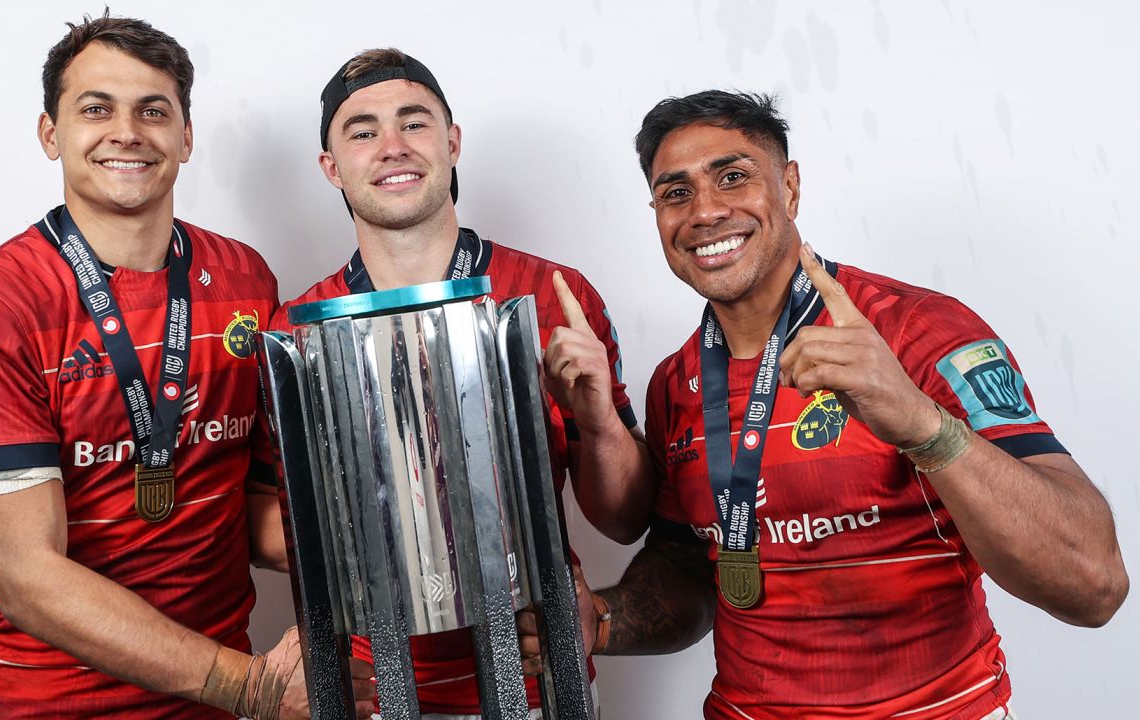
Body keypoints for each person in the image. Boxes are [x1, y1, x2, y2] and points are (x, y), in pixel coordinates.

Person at [576, 90, 1130, 719]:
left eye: (733, 176)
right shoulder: (676, 382)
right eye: (675, 193)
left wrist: (921, 424)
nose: (705, 212)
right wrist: (600, 621)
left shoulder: (922, 331)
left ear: (790, 187)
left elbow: (1095, 586)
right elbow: (690, 570)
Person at [0, 12, 373, 718]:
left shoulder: (244, 278)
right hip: (51, 703)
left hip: (220, 697)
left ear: (185, 138)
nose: (127, 130)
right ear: (50, 134)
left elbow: (251, 509)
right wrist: (248, 685)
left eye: (153, 110)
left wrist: (411, 538)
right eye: (96, 108)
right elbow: (25, 576)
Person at [261, 48, 656, 718]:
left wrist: (598, 422)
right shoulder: (299, 327)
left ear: (452, 142)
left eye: (414, 123)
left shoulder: (552, 296)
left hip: (538, 680)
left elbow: (622, 521)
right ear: (331, 167)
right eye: (362, 131)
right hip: (370, 694)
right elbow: (271, 526)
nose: (392, 146)